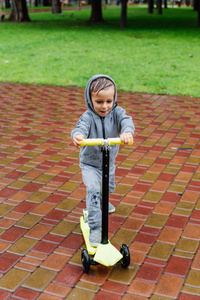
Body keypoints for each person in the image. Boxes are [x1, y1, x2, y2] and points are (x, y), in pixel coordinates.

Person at [71, 74, 135, 247]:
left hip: (108, 163)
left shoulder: (117, 112)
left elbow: (126, 121)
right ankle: (94, 227)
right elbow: (80, 128)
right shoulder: (88, 117)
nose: (104, 106)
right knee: (93, 189)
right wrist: (78, 136)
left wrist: (127, 132)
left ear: (114, 98)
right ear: (90, 99)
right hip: (90, 164)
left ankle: (102, 200)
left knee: (108, 188)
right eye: (99, 102)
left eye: (109, 101)